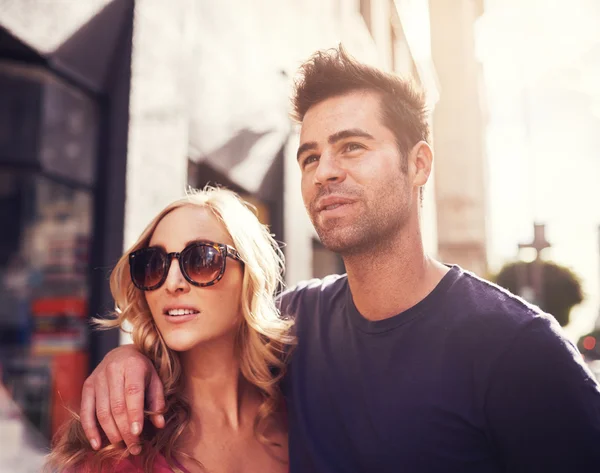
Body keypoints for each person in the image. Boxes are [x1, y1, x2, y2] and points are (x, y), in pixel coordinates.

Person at [78, 47, 600, 472]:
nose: (324, 170)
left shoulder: (516, 346)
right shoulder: (298, 322)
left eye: (351, 147)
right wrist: (128, 359)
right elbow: (210, 340)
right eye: (310, 157)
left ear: (418, 164)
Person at [45, 187, 293, 472]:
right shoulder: (120, 440)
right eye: (153, 265)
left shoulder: (303, 406)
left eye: (201, 260)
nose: (171, 282)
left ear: (250, 276)